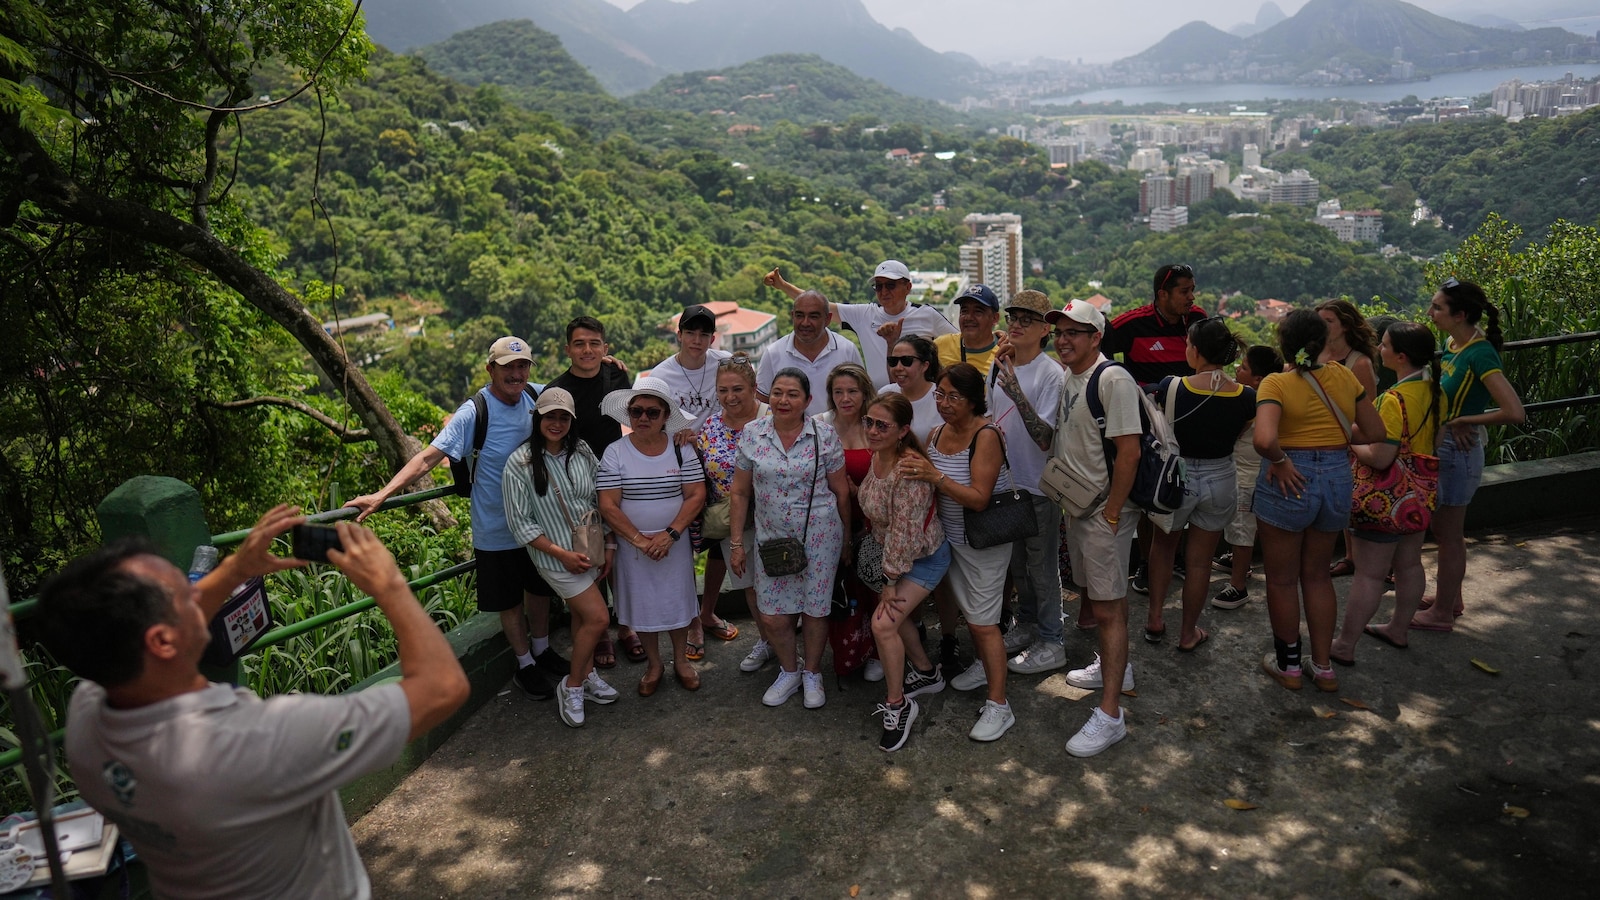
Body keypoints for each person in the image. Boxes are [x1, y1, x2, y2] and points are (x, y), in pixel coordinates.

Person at [35, 507, 469, 899]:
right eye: (185, 592)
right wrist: (389, 584)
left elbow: (160, 635)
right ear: (162, 641)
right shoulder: (259, 739)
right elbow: (443, 687)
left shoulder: (88, 718)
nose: (199, 591)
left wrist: (235, 569)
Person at [346, 336, 563, 700]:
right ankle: (525, 664)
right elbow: (428, 457)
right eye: (508, 367)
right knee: (509, 600)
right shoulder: (474, 412)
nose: (517, 373)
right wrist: (383, 494)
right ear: (490, 369)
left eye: (523, 365)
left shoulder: (535, 396)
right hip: (495, 526)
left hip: (536, 523)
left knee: (538, 590)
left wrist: (608, 364)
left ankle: (542, 651)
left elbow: (572, 389)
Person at [1253, 309, 1384, 693]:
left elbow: (1264, 439)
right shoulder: (1344, 376)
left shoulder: (1276, 384)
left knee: (1280, 579)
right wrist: (1332, 439)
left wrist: (1280, 460)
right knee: (1318, 574)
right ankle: (1323, 667)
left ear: (1284, 345)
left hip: (1289, 478)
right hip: (1336, 477)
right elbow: (1375, 430)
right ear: (1324, 342)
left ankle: (1289, 666)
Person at [1048, 299, 1142, 758]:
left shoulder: (1113, 379)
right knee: (1107, 599)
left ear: (1096, 337)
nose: (1063, 340)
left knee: (1106, 608)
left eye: (1074, 332)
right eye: (1059, 332)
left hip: (1103, 513)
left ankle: (1110, 716)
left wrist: (1112, 512)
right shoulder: (1072, 375)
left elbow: (1130, 452)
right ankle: (1115, 669)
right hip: (1080, 508)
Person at [904, 362, 1016, 742]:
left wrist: (935, 476)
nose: (944, 403)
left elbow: (980, 499)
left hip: (983, 542)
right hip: (948, 539)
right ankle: (986, 667)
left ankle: (1000, 706)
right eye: (940, 394)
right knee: (971, 615)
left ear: (973, 401)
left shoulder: (986, 435)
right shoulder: (936, 433)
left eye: (954, 396)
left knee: (984, 624)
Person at [728, 368, 852, 710]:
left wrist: (846, 539)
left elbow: (841, 492)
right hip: (771, 539)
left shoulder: (823, 436)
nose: (784, 400)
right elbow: (739, 493)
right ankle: (789, 670)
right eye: (778, 393)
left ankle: (812, 672)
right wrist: (736, 543)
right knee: (772, 614)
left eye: (793, 394)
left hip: (820, 536)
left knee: (815, 608)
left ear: (807, 401)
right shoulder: (753, 433)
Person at [503, 388, 620, 727]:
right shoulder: (520, 463)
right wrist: (562, 555)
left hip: (589, 551)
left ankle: (587, 676)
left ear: (572, 420)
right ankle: (571, 686)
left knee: (582, 619)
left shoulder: (581, 451)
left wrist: (608, 546)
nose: (556, 423)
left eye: (563, 417)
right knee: (598, 619)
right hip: (555, 559)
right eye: (550, 416)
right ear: (537, 418)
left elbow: (601, 500)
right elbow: (520, 524)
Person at [1414, 277, 1526, 628]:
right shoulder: (1452, 342)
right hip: (1444, 446)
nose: (1430, 312)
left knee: (1448, 536)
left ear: (1460, 315)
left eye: (1437, 308)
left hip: (1458, 452)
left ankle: (1442, 613)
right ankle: (1452, 598)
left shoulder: (1480, 353)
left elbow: (1514, 411)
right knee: (1444, 531)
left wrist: (1465, 419)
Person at [1329, 323, 1442, 664]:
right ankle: (1399, 628)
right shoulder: (1436, 391)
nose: (1380, 349)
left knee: (1369, 574)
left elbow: (1380, 457)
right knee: (1409, 564)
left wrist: (1350, 444)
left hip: (1385, 500)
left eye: (1386, 345)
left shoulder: (1394, 399)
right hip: (1419, 494)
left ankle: (1345, 645)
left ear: (1401, 357)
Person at [1142, 318, 1257, 652]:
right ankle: (1188, 631)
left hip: (1177, 477)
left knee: (1163, 549)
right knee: (1199, 562)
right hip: (1221, 476)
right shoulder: (1246, 395)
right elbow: (1238, 435)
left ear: (1196, 350)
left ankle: (1154, 619)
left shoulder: (1172, 386)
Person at [596, 377, 707, 696]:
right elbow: (608, 504)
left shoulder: (680, 448)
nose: (643, 418)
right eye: (636, 411)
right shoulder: (615, 452)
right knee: (641, 606)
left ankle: (681, 662)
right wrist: (641, 540)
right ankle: (654, 664)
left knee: (677, 601)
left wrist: (670, 535)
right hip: (635, 547)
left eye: (652, 412)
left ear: (664, 416)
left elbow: (695, 494)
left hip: (674, 542)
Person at [1104, 264, 1207, 595]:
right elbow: (1103, 358)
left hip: (1190, 420)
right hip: (1149, 427)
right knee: (1153, 493)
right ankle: (1149, 563)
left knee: (1186, 490)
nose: (1191, 298)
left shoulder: (1198, 320)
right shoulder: (1131, 324)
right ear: (1162, 294)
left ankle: (1173, 557)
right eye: (1184, 291)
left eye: (1192, 290)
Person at [860, 393, 949, 752]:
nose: (872, 430)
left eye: (882, 425)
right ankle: (927, 673)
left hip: (920, 558)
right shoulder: (879, 455)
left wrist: (890, 582)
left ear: (903, 431)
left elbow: (905, 532)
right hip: (895, 555)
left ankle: (898, 705)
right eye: (869, 421)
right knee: (896, 620)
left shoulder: (908, 470)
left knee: (883, 623)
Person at [547, 317, 637, 668]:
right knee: (592, 556)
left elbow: (633, 417)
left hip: (618, 477)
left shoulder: (617, 377)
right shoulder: (558, 390)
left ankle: (627, 627)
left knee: (623, 558)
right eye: (580, 344)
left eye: (594, 343)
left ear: (605, 348)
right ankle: (601, 633)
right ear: (567, 348)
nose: (587, 350)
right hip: (579, 486)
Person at [987, 290, 1067, 675]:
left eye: (1026, 320)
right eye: (1013, 317)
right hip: (1006, 484)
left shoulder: (1051, 373)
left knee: (1042, 568)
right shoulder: (999, 363)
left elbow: (1045, 437)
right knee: (1017, 567)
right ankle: (1028, 625)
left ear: (1044, 330)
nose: (1015, 325)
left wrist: (1015, 391)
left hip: (1038, 486)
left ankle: (1053, 639)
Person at [765, 260, 955, 390]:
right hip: (879, 400)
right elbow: (819, 305)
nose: (883, 291)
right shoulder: (865, 314)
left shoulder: (926, 315)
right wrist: (782, 285)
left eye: (890, 285)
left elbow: (959, 343)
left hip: (919, 394)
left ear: (908, 287)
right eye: (878, 286)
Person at [695, 356, 767, 672]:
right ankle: (767, 642)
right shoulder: (710, 425)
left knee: (778, 585)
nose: (730, 397)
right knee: (750, 588)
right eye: (723, 390)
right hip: (731, 521)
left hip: (772, 517)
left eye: (738, 389)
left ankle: (787, 647)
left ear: (754, 388)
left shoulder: (771, 420)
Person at [817, 363, 881, 679]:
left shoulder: (877, 426)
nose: (845, 398)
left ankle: (879, 654)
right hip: (831, 524)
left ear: (864, 392)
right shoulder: (819, 427)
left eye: (852, 391)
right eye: (838, 391)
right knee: (844, 590)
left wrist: (861, 490)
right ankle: (850, 653)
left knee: (875, 590)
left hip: (874, 523)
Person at [1211, 344, 1284, 611]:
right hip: (1251, 473)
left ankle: (1238, 585)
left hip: (1247, 476)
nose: (1236, 370)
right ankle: (1239, 563)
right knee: (1239, 524)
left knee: (1242, 528)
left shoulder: (1250, 401)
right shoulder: (1272, 399)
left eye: (1243, 368)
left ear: (1258, 379)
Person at [1316, 299, 1381, 579]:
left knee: (1356, 501)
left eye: (1328, 321)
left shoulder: (1359, 362)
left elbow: (1370, 410)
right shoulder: (1317, 356)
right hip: (1326, 442)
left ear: (1344, 325)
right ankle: (1350, 556)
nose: (1322, 326)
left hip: (1350, 442)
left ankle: (1365, 559)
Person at [755, 290, 865, 416]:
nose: (805, 323)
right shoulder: (773, 353)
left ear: (828, 319)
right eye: (800, 315)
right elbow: (762, 405)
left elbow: (863, 397)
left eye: (813, 316)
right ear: (793, 316)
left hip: (839, 434)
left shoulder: (847, 350)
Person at [653, 303, 733, 440]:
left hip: (720, 447)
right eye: (690, 333)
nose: (697, 341)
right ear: (679, 335)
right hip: (678, 451)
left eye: (703, 335)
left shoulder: (725, 363)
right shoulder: (660, 377)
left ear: (712, 339)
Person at [879, 334, 943, 442]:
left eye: (906, 361)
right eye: (893, 361)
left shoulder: (940, 396)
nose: (898, 368)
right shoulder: (885, 394)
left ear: (924, 365)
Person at [934, 283, 1002, 374]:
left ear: (995, 318)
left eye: (978, 312)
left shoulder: (1003, 353)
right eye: (964, 311)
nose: (969, 317)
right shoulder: (941, 345)